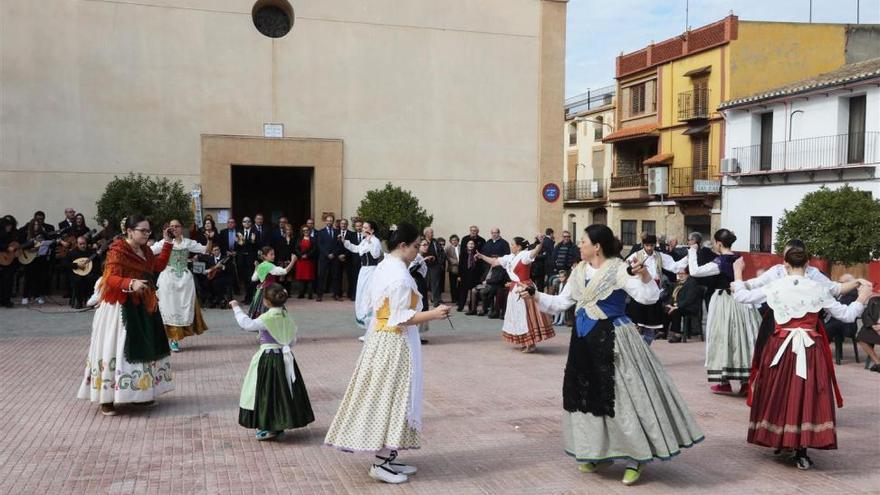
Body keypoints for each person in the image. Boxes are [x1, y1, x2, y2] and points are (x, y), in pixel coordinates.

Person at [528, 224, 704, 486]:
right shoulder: (578, 271)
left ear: (596, 246)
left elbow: (647, 297)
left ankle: (637, 456)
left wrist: (644, 275)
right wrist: (533, 294)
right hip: (584, 341)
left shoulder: (619, 268)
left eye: (583, 241)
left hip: (615, 338)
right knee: (588, 396)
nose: (580, 245)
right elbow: (562, 303)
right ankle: (598, 451)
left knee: (624, 397)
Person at [324, 222, 451, 484]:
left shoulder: (386, 265)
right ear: (402, 246)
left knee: (394, 398)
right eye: (415, 246)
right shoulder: (398, 274)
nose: (418, 251)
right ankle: (380, 463)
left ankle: (389, 457)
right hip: (394, 343)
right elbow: (400, 317)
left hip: (387, 341)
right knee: (393, 398)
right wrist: (435, 314)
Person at [731, 248, 872, 470]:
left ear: (785, 264)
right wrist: (862, 299)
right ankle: (800, 448)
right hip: (809, 348)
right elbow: (846, 315)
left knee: (780, 391)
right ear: (807, 265)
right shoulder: (817, 288)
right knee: (805, 393)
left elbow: (741, 296)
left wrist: (738, 273)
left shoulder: (776, 285)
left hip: (780, 345)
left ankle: (782, 439)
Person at [77, 215, 175, 416]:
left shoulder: (146, 250)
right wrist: (130, 283)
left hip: (142, 305)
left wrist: (168, 243)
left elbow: (157, 266)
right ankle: (107, 399)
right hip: (120, 307)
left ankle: (139, 395)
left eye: (148, 231)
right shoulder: (118, 250)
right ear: (129, 231)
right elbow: (110, 277)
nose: (147, 234)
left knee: (143, 347)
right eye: (143, 231)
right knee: (118, 349)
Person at [231, 284, 315, 441]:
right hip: (284, 359)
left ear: (266, 302)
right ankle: (279, 424)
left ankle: (269, 427)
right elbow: (292, 341)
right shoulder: (286, 317)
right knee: (283, 391)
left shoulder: (266, 318)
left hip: (268, 359)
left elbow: (246, 324)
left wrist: (236, 307)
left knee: (266, 392)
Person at [688, 229, 761, 395]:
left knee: (722, 337)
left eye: (715, 242)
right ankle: (746, 381)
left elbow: (694, 272)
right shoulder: (738, 257)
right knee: (742, 337)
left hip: (724, 301)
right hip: (741, 300)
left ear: (719, 243)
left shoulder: (720, 262)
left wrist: (692, 251)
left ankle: (724, 382)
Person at [477, 236, 554, 353]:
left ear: (518, 247)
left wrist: (540, 244)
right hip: (514, 289)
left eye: (512, 244)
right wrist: (481, 256)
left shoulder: (524, 255)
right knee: (518, 315)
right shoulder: (510, 258)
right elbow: (494, 261)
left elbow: (534, 253)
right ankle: (524, 341)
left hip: (525, 288)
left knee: (527, 315)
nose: (511, 246)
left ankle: (530, 343)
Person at [151, 219, 210, 353]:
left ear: (181, 228)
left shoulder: (188, 243)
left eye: (177, 226)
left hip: (184, 280)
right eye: (172, 226)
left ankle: (175, 338)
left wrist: (210, 239)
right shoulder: (164, 242)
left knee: (181, 309)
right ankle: (172, 340)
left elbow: (206, 250)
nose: (174, 228)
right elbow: (149, 252)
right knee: (168, 308)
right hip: (168, 278)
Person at [624, 234, 687, 344]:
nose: (649, 248)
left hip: (654, 293)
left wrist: (689, 257)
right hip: (640, 294)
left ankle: (647, 350)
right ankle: (637, 349)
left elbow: (674, 266)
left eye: (652, 245)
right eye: (647, 245)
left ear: (655, 245)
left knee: (651, 325)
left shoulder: (660, 256)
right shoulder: (636, 255)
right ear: (643, 244)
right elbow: (625, 270)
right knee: (637, 324)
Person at [341, 220, 383, 334]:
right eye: (363, 227)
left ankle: (372, 328)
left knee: (369, 298)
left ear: (372, 230)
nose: (363, 229)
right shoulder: (364, 241)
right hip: (364, 271)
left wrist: (370, 242)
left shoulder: (375, 241)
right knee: (361, 296)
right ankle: (367, 327)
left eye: (365, 228)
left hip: (372, 271)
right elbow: (356, 249)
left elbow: (376, 255)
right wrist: (345, 242)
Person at [248, 246, 296, 319]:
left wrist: (256, 267)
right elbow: (284, 271)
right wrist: (293, 261)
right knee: (274, 310)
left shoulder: (260, 266)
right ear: (264, 256)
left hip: (261, 291)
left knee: (261, 311)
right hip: (271, 291)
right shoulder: (270, 266)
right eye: (271, 254)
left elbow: (253, 279)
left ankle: (262, 326)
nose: (274, 256)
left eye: (274, 254)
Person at [664, 268, 704, 343]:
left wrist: (677, 306)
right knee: (665, 309)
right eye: (679, 274)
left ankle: (677, 335)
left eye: (682, 273)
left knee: (676, 311)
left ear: (687, 274)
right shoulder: (678, 283)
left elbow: (689, 299)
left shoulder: (692, 283)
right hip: (678, 305)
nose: (680, 275)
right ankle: (663, 332)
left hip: (689, 307)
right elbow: (672, 296)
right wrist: (670, 304)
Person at [67, 236, 98, 309]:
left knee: (92, 279)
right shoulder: (72, 253)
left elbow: (96, 264)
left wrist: (98, 255)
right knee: (77, 281)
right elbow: (66, 264)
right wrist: (77, 265)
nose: (82, 245)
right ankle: (79, 301)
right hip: (76, 273)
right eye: (80, 244)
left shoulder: (91, 252)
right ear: (77, 244)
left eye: (84, 244)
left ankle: (91, 300)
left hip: (89, 273)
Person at [316, 214, 341, 302]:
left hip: (334, 258)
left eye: (331, 220)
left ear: (333, 221)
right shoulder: (320, 232)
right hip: (324, 258)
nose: (329, 222)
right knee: (321, 276)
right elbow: (319, 245)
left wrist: (333, 254)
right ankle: (319, 295)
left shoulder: (337, 232)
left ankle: (336, 294)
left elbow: (339, 245)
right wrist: (327, 254)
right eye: (328, 220)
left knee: (335, 276)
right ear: (325, 221)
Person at [410, 240, 430, 341]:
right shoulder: (417, 256)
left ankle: (417, 333)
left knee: (423, 305)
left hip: (421, 282)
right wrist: (422, 261)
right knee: (419, 305)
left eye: (427, 245)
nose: (426, 247)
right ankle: (415, 334)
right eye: (424, 245)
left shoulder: (420, 257)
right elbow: (410, 269)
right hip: (416, 282)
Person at [238, 217, 260, 304]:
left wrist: (252, 242)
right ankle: (247, 297)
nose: (246, 223)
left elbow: (258, 245)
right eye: (244, 221)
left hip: (251, 258)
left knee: (251, 278)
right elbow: (238, 245)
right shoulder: (239, 232)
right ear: (242, 223)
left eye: (248, 221)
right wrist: (246, 242)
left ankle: (250, 297)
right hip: (242, 259)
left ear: (251, 223)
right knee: (244, 279)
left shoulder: (255, 232)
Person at [856, 294, 880, 371]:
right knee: (861, 337)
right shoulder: (874, 300)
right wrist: (872, 325)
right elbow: (866, 315)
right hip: (874, 326)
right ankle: (878, 363)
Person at [423, 228, 445, 307]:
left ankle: (436, 301)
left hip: (435, 266)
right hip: (424, 266)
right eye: (431, 232)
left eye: (432, 232)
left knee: (435, 284)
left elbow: (442, 252)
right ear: (426, 234)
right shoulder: (422, 242)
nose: (432, 234)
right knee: (424, 284)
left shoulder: (435, 242)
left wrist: (440, 263)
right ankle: (423, 301)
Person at [458, 239, 481, 314]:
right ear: (467, 245)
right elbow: (460, 265)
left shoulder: (477, 253)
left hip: (474, 275)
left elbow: (480, 266)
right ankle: (461, 306)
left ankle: (472, 308)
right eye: (469, 244)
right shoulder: (463, 253)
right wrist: (459, 275)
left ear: (474, 245)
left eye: (472, 244)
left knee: (473, 292)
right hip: (464, 275)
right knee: (463, 291)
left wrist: (476, 260)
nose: (471, 245)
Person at [0, 215, 19, 308]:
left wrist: (16, 251)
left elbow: (17, 245)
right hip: (1, 258)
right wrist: (6, 248)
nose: (9, 227)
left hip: (10, 261)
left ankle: (6, 300)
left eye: (11, 225)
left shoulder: (14, 233)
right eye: (7, 225)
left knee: (8, 281)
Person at [294, 225, 317, 299]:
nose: (306, 232)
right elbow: (296, 248)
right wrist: (301, 255)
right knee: (301, 278)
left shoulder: (313, 239)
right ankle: (301, 293)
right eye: (304, 230)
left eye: (307, 230)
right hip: (301, 261)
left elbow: (314, 249)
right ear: (302, 231)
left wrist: (307, 255)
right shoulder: (299, 239)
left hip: (309, 261)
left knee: (309, 278)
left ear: (309, 231)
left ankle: (310, 294)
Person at [338, 218, 358, 300]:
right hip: (337, 258)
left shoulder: (352, 234)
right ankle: (338, 294)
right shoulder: (336, 232)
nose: (343, 225)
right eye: (342, 223)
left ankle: (350, 294)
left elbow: (352, 246)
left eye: (345, 224)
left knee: (350, 277)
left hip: (348, 258)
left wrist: (345, 255)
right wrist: (339, 255)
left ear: (347, 225)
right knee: (338, 277)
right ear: (340, 224)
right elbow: (334, 245)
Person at [445, 235, 460, 305]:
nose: (454, 241)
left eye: (456, 240)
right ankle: (454, 299)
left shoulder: (461, 247)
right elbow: (447, 257)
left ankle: (459, 298)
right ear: (451, 241)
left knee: (460, 285)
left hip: (461, 269)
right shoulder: (448, 248)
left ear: (458, 241)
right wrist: (456, 262)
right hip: (452, 269)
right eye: (453, 240)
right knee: (453, 285)